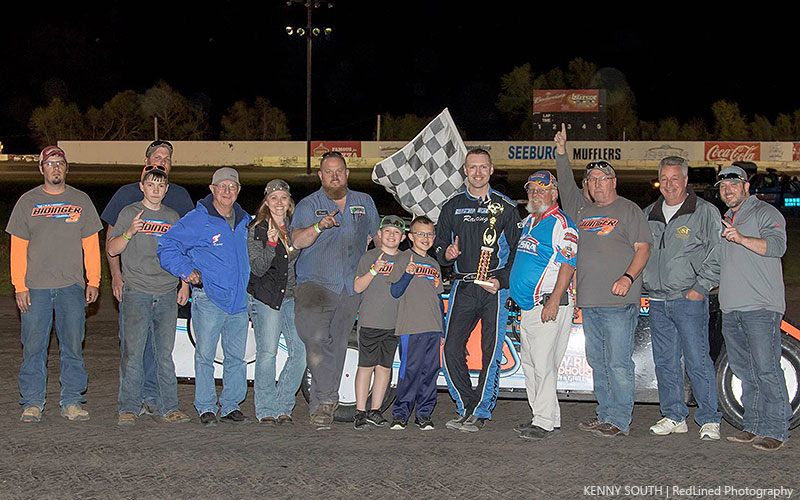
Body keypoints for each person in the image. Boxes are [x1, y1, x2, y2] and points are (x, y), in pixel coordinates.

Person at [556, 129, 652, 438]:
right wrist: (561, 154)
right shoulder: (581, 211)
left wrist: (627, 277)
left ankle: (620, 419)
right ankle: (605, 413)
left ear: (613, 182)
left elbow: (643, 249)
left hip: (619, 304)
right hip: (591, 302)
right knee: (597, 361)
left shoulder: (628, 209)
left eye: (603, 178)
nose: (597, 184)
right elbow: (567, 188)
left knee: (618, 363)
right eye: (592, 180)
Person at [8, 146, 102, 423]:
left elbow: (91, 247)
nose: (55, 168)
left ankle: (72, 401)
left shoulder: (81, 200)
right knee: (33, 347)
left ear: (66, 168)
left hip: (71, 287)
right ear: (41, 169)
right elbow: (18, 248)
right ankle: (33, 402)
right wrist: (19, 286)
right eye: (49, 163)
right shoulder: (28, 202)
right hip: (35, 287)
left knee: (72, 346)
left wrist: (93, 280)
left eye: (60, 163)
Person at [101, 140, 193, 416]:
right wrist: (129, 232)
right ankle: (128, 407)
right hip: (137, 291)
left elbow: (183, 251)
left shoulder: (174, 214)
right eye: (151, 184)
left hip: (166, 292)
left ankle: (168, 407)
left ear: (167, 187)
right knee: (133, 353)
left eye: (161, 185)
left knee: (164, 356)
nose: (156, 189)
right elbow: (111, 246)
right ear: (143, 184)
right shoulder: (128, 209)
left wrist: (185, 283)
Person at [434, 148, 521, 433]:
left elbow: (519, 251)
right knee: (450, 348)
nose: (478, 172)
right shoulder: (451, 206)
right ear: (465, 171)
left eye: (483, 167)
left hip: (494, 287)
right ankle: (466, 406)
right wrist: (446, 254)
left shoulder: (506, 206)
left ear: (491, 170)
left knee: (490, 351)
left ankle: (482, 411)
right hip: (463, 284)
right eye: (472, 167)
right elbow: (438, 249)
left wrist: (502, 280)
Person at [291, 151, 380, 429]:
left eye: (339, 170)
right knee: (316, 340)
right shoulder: (308, 204)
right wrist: (319, 225)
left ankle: (324, 406)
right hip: (315, 284)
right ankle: (326, 399)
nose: (334, 176)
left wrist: (394, 253)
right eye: (329, 171)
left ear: (347, 173)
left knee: (339, 343)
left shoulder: (364, 202)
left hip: (351, 287)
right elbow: (297, 240)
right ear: (320, 175)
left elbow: (379, 238)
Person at [158, 167, 252, 426]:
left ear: (238, 190)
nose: (227, 191)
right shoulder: (198, 219)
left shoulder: (246, 220)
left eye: (232, 187)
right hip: (209, 299)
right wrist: (186, 272)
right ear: (212, 189)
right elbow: (167, 245)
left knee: (236, 357)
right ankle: (206, 407)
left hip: (239, 302)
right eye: (222, 186)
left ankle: (231, 405)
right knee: (205, 356)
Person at [642, 156, 723, 441]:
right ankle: (674, 415)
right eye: (663, 179)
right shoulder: (648, 213)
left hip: (688, 299)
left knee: (697, 359)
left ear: (686, 180)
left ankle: (709, 418)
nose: (669, 184)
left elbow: (718, 252)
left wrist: (700, 287)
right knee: (664, 361)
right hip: (658, 300)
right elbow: (640, 253)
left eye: (675, 178)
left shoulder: (704, 212)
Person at [716, 165, 790, 451]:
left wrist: (742, 238)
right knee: (743, 370)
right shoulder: (726, 218)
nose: (728, 190)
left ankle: (776, 430)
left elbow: (777, 247)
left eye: (733, 185)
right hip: (732, 308)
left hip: (760, 307)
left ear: (746, 187)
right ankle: (754, 425)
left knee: (766, 369)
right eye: (723, 187)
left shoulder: (765, 213)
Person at [508, 171, 577, 440]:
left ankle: (544, 421)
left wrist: (554, 300)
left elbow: (568, 264)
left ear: (554, 193)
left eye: (542, 189)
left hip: (548, 303)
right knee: (531, 363)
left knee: (543, 364)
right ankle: (545, 416)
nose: (535, 194)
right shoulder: (529, 222)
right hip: (529, 307)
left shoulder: (562, 223)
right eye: (531, 190)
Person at [246, 179, 305, 425]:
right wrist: (271, 243)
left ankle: (283, 405)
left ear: (289, 201)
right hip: (266, 297)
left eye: (283, 198)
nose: (279, 203)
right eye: (274, 198)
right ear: (266, 202)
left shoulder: (296, 228)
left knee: (300, 353)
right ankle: (266, 409)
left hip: (290, 296)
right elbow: (258, 268)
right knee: (267, 353)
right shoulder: (257, 229)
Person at [389, 216, 444, 431]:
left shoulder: (433, 263)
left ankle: (424, 414)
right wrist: (407, 275)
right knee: (409, 371)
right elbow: (395, 291)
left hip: (433, 328)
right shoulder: (404, 259)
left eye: (429, 234)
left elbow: (438, 298)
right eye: (420, 234)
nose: (425, 238)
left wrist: (443, 329)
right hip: (411, 327)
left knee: (430, 372)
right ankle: (400, 414)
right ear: (410, 237)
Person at [352, 215, 406, 430]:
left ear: (402, 238)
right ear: (380, 235)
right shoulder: (369, 257)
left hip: (394, 323)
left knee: (384, 368)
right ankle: (360, 411)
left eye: (396, 232)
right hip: (370, 321)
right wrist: (374, 269)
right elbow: (357, 287)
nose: (391, 235)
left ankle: (376, 410)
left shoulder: (406, 259)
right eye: (388, 231)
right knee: (365, 367)